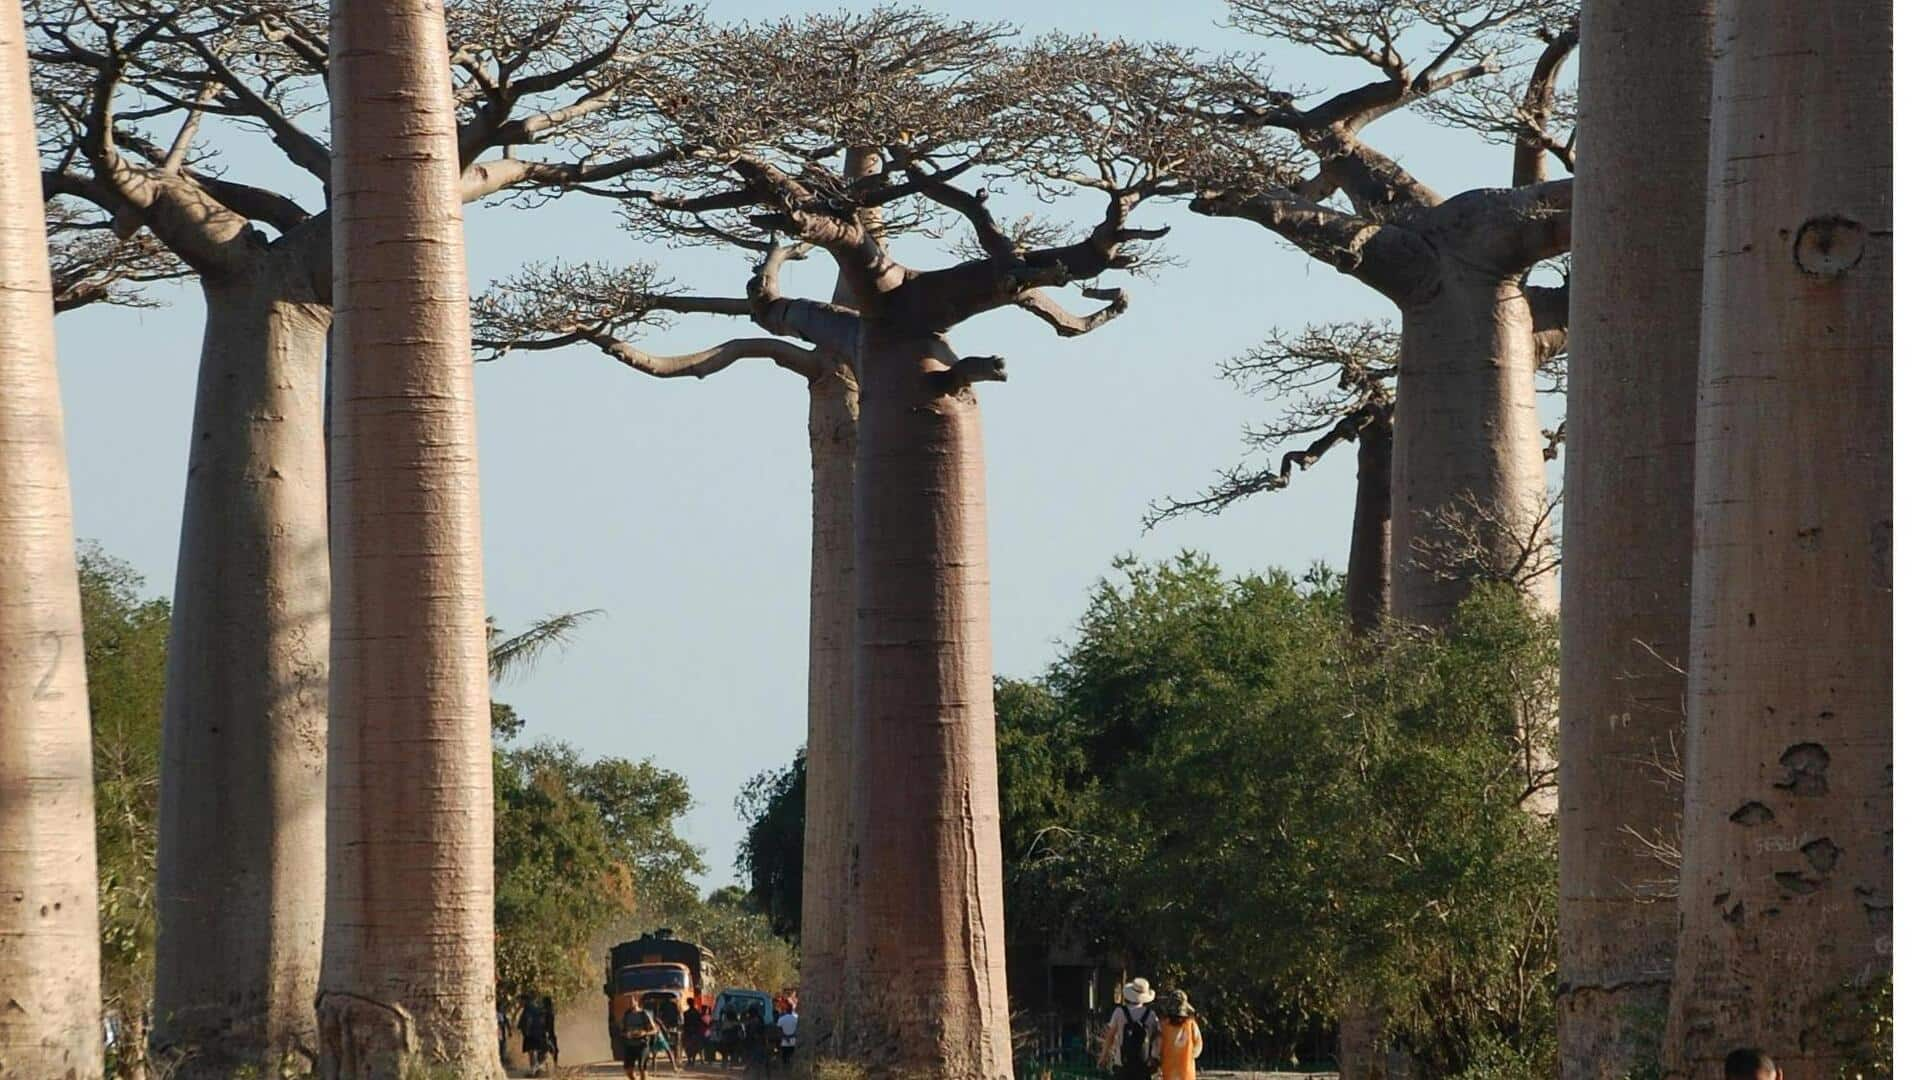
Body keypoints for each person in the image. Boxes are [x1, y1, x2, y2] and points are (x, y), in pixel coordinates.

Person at [1099, 978, 1160, 1080]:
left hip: (1122, 1064)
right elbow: (1157, 1038)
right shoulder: (1151, 1015)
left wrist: (1104, 1056)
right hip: (1143, 1066)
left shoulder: (1119, 1012)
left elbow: (1110, 1036)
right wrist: (1155, 1058)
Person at [1155, 991, 1203, 1080]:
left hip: (1168, 1069)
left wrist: (1157, 1058)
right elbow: (1198, 1045)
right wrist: (1191, 1055)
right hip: (1187, 1071)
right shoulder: (1191, 1024)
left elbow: (1158, 1046)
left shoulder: (1163, 1025)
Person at [621, 1000, 662, 1080]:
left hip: (642, 1044)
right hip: (630, 1045)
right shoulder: (626, 1015)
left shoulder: (644, 1014)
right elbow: (622, 1031)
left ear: (636, 1001)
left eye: (632, 1000)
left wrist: (644, 1033)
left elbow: (655, 1030)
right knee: (628, 1069)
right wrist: (627, 1034)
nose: (630, 1003)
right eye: (629, 1001)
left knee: (642, 1067)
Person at [541, 995, 560, 1067]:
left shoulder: (547, 1012)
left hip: (548, 1033)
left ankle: (552, 1065)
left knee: (550, 1050)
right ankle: (553, 1065)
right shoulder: (548, 1012)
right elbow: (547, 1024)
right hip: (548, 1034)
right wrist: (546, 1033)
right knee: (551, 1050)